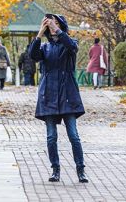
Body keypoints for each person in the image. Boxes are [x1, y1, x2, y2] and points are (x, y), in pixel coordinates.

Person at [29, 14, 88, 183]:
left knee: (73, 135)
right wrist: (40, 33)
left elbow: (72, 46)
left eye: (55, 23)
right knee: (51, 136)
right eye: (50, 25)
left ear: (61, 26)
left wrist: (58, 30)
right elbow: (33, 55)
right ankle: (55, 169)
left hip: (68, 94)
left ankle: (80, 169)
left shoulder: (69, 44)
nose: (52, 27)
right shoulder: (45, 48)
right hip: (48, 94)